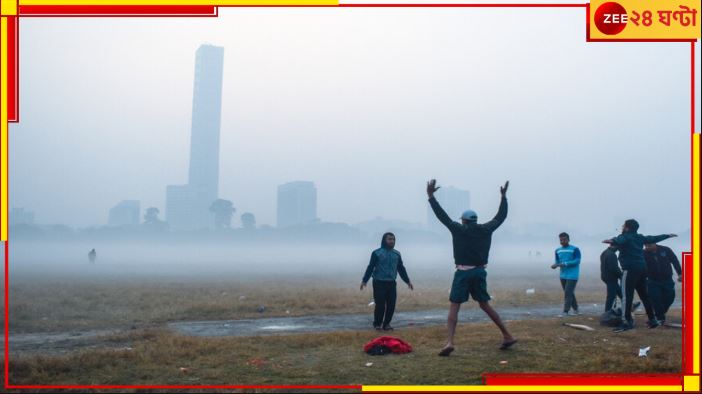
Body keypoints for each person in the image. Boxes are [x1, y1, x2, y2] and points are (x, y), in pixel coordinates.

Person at [427, 179, 516, 356]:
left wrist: (430, 196)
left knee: (454, 307)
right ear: (475, 220)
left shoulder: (458, 229)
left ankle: (450, 342)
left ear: (464, 220)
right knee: (485, 305)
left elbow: (442, 216)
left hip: (463, 273)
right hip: (480, 272)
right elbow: (501, 217)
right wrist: (503, 197)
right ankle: (507, 335)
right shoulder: (486, 229)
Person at [603, 219, 677, 332]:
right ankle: (653, 320)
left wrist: (611, 240)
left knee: (626, 297)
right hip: (642, 269)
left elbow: (619, 240)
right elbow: (653, 238)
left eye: (624, 226)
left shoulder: (625, 236)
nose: (622, 227)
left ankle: (626, 322)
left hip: (630, 269)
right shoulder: (640, 237)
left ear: (627, 227)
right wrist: (667, 235)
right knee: (644, 295)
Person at [361, 232, 413, 331]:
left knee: (391, 304)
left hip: (391, 283)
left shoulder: (397, 254)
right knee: (380, 305)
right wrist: (364, 280)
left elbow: (401, 268)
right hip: (379, 282)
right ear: (384, 240)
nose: (391, 241)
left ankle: (387, 324)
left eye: (393, 239)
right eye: (389, 239)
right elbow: (370, 267)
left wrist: (407, 281)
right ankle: (377, 324)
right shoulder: (376, 253)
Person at [644, 243, 682, 324]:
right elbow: (639, 265)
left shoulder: (666, 249)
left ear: (654, 244)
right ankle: (660, 318)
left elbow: (675, 261)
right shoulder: (643, 253)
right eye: (645, 246)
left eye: (649, 245)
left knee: (670, 297)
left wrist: (680, 273)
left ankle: (659, 313)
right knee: (655, 299)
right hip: (652, 280)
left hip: (667, 279)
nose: (647, 247)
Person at [551, 233, 581, 316]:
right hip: (563, 275)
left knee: (568, 292)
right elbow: (557, 261)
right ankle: (576, 309)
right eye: (561, 240)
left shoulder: (575, 249)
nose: (562, 241)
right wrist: (555, 265)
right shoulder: (557, 250)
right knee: (570, 293)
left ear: (568, 239)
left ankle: (565, 311)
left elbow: (577, 261)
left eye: (564, 239)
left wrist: (565, 263)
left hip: (573, 275)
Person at [600, 244, 623, 313]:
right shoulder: (612, 255)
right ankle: (607, 312)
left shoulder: (604, 252)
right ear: (614, 246)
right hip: (611, 278)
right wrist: (621, 276)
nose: (618, 249)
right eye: (618, 247)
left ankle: (629, 304)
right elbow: (614, 268)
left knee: (619, 292)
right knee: (611, 296)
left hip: (605, 276)